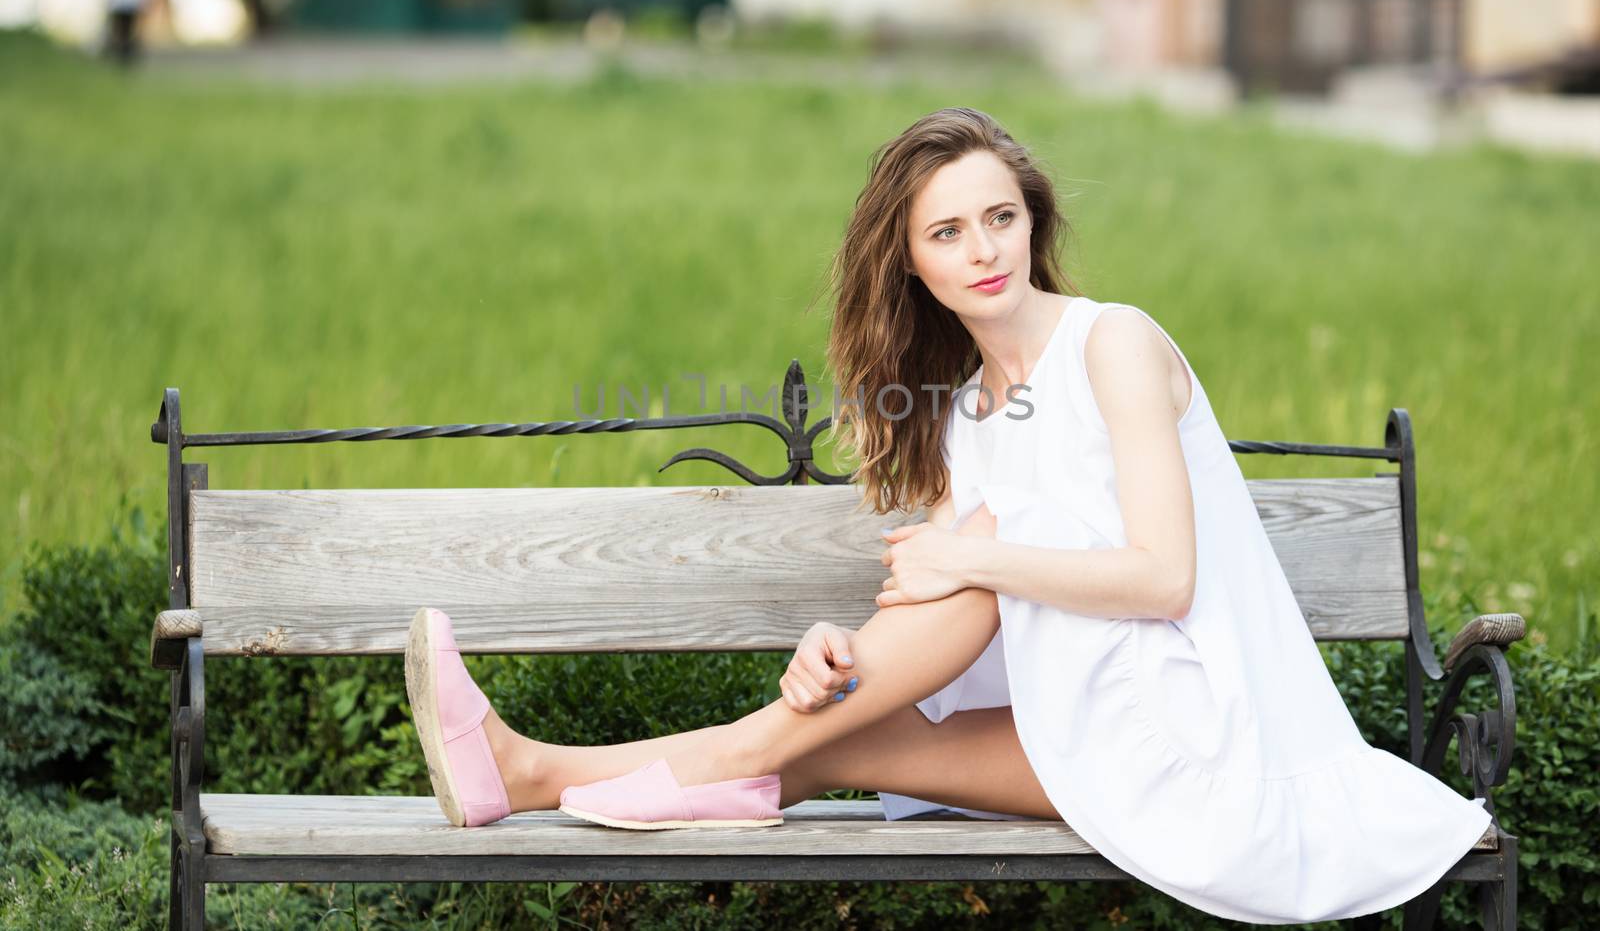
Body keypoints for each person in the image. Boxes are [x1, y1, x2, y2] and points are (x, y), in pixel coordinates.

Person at [404, 107, 1493, 923]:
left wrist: (972, 558)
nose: (984, 249)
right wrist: (836, 649)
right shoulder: (967, 412)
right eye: (949, 232)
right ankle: (530, 768)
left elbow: (1164, 577)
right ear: (911, 261)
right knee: (841, 734)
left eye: (1001, 217)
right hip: (1084, 724)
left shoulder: (1111, 342)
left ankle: (570, 764)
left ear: (1032, 220)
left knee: (965, 572)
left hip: (1202, 738)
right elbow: (934, 596)